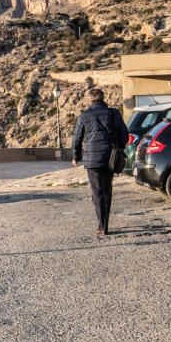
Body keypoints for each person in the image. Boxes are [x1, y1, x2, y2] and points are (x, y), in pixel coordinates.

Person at [72, 87, 128, 236]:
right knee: (107, 189)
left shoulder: (84, 115)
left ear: (90, 100)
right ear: (103, 98)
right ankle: (105, 223)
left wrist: (75, 156)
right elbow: (125, 135)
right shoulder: (113, 113)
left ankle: (101, 225)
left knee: (97, 192)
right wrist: (120, 148)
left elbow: (77, 137)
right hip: (110, 157)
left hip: (92, 160)